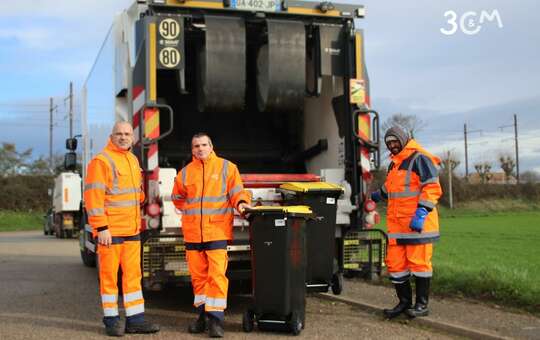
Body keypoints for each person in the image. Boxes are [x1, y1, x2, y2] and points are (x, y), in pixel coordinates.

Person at [171, 133, 251, 338]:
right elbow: (177, 198)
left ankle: (216, 321)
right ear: (192, 150)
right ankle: (202, 317)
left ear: (211, 146)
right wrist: (191, 212)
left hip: (216, 231)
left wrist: (241, 203)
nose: (200, 148)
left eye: (204, 144)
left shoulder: (227, 168)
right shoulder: (185, 173)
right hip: (192, 233)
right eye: (196, 145)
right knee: (199, 279)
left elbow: (238, 192)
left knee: (216, 276)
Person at [84, 121, 160, 337]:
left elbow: (135, 192)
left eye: (127, 133)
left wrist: (142, 197)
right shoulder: (101, 161)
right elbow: (93, 198)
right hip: (111, 231)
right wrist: (102, 227)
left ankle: (136, 320)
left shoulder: (132, 159)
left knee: (133, 276)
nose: (124, 137)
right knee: (109, 277)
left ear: (132, 138)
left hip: (131, 230)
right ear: (112, 136)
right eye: (119, 133)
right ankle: (111, 321)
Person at [371, 125, 442, 319]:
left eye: (395, 141)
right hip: (397, 227)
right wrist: (379, 194)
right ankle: (404, 303)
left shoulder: (419, 158)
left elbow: (432, 187)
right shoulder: (395, 163)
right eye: (389, 143)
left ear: (403, 140)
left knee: (419, 265)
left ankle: (421, 305)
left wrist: (421, 212)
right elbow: (394, 187)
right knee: (395, 265)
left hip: (418, 225)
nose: (392, 146)